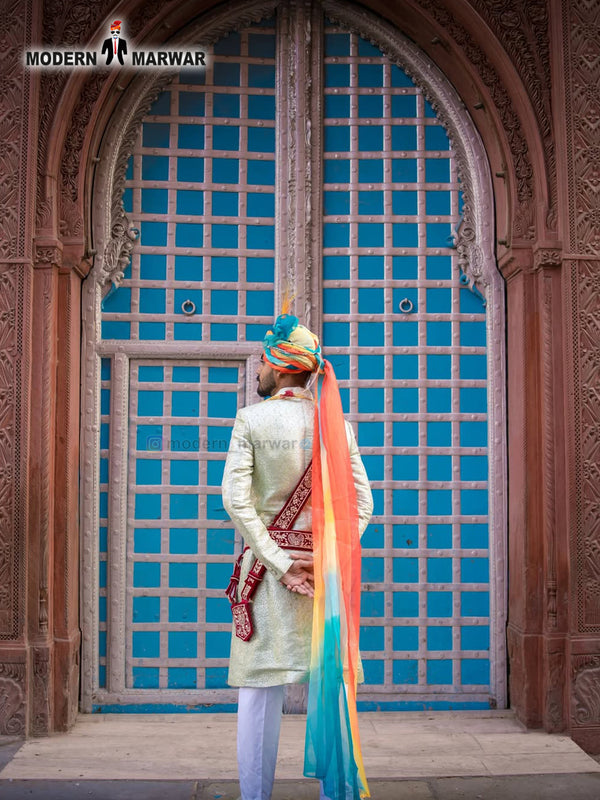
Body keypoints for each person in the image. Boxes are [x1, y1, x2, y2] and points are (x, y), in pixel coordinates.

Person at [222, 313, 373, 800]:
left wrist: (282, 564)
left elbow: (235, 500)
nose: (259, 370)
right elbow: (363, 505)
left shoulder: (252, 419)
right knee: (330, 687)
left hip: (265, 578)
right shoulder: (338, 427)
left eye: (264, 361)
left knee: (258, 696)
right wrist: (324, 559)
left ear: (280, 367)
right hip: (324, 581)